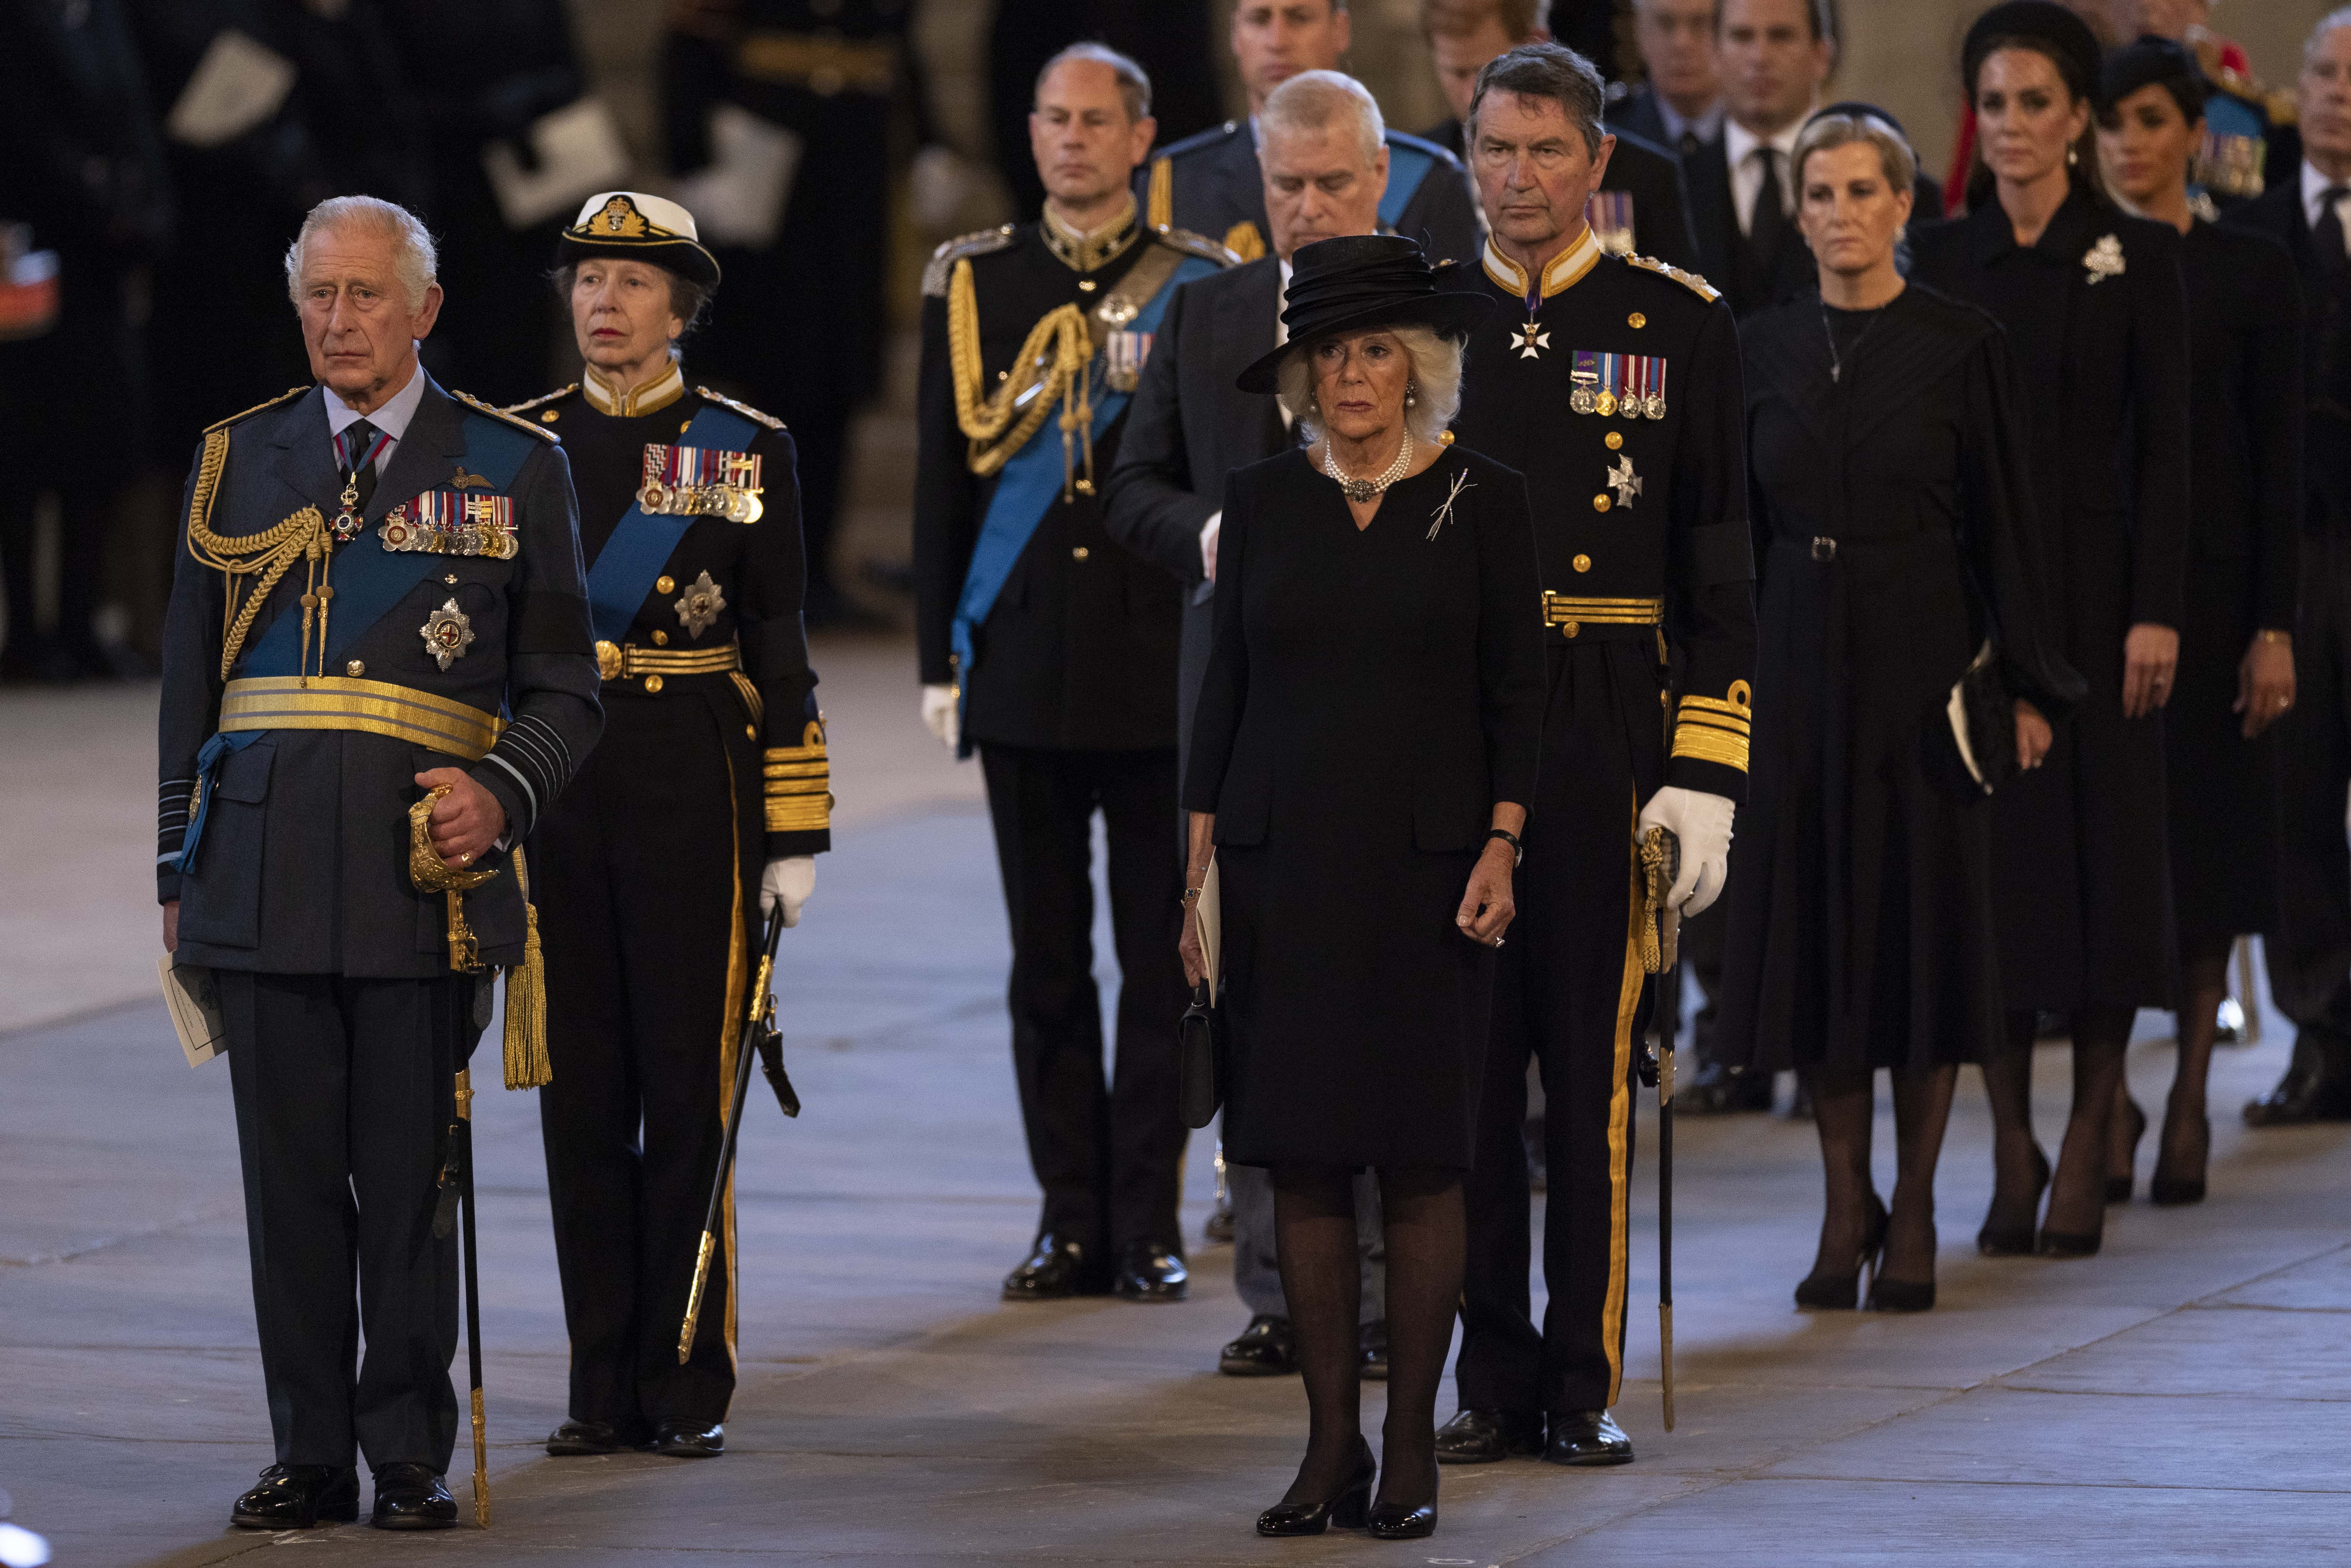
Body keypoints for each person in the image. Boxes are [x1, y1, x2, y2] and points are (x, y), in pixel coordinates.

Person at [155, 195, 601, 1530]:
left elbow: (567, 691)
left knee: (408, 1180)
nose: (338, 322)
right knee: (288, 1187)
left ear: (426, 310)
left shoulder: (513, 465)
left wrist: (502, 796)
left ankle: (404, 1449)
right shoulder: (236, 460)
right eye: (319, 296)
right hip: (263, 871)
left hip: (422, 883)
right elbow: (190, 687)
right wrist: (178, 869)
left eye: (363, 296)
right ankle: (308, 1451)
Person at [1180, 232, 1542, 1540]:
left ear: (1421, 367)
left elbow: (1521, 690)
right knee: (1308, 1158)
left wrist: (1506, 839)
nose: (1350, 374)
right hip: (1285, 868)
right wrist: (1200, 864)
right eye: (1329, 353)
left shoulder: (1486, 496)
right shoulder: (1264, 497)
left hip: (1436, 869)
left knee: (1426, 1156)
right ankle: (1328, 1443)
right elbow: (1224, 689)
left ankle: (1409, 1446)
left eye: (1376, 349)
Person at [1441, 42, 1754, 1469]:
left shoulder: (1674, 322)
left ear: (1598, 166)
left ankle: (1578, 1378)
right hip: (1447, 733)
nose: (1517, 178)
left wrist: (1704, 772)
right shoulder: (1423, 317)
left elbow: (1720, 576)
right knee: (1465, 1072)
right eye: (1495, 150)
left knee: (1586, 1068)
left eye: (1545, 152)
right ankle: (1488, 1376)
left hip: (1606, 722)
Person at [1718, 107, 2080, 1313]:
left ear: (1903, 205)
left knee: (1922, 942)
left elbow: (2014, 528)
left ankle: (1916, 1203)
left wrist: (2028, 681)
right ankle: (1843, 1200)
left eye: (1863, 190)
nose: (1839, 214)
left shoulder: (1960, 342)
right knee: (1821, 941)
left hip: (1924, 665)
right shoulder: (1757, 347)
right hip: (1798, 665)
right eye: (1819, 193)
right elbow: (1726, 530)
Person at [509, 192, 829, 1460]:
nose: (606, 301)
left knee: (690, 1091)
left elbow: (780, 642)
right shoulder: (512, 447)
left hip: (697, 782)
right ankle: (599, 1381)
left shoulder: (745, 448)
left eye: (635, 282)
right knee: (580, 1097)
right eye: (589, 278)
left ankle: (683, 1374)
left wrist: (796, 827)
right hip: (557, 786)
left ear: (682, 307)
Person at [912, 45, 1230, 1304]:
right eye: (1054, 118)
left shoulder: (1199, 286)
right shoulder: (975, 280)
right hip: (1028, 668)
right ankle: (1066, 1214)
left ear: (1143, 138)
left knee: (1159, 961)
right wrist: (945, 649)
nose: (1073, 140)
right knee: (1044, 961)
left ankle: (1144, 1217)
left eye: (1098, 121)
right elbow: (947, 492)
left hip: (1158, 670)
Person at [1106, 68, 1396, 1383]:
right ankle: (1284, 1289)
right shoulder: (1209, 309)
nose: (1313, 207)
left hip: (1391, 717)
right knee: (1250, 995)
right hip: (1237, 706)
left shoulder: (1422, 326)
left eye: (1337, 182)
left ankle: (1391, 1283)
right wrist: (1202, 533)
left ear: (1381, 180)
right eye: (1290, 185)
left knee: (1386, 1001)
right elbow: (1132, 485)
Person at [1910, 1, 2191, 1258]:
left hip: (2098, 590)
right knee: (2000, 878)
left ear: (2079, 117)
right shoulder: (1948, 256)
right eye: (1995, 103)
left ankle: (2088, 1135)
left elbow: (2173, 456)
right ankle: (2013, 1144)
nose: (2013, 126)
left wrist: (2156, 611)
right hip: (1980, 599)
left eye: (2037, 103)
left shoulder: (2140, 256)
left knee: (2106, 872)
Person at [2094, 40, 2300, 1200]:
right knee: (2107, 851)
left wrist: (2275, 623)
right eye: (2113, 120)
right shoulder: (2078, 258)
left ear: (2191, 130)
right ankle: (2111, 1091)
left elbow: (2274, 460)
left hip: (2218, 594)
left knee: (2208, 849)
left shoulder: (2250, 266)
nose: (2131, 140)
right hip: (2096, 590)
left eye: (2152, 119)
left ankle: (2184, 1104)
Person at [662, 0, 918, 628]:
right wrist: (692, 160)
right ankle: (737, 569)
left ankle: (814, 570)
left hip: (856, 179)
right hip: (762, 186)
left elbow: (898, 53)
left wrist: (927, 142)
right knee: (761, 375)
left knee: (840, 376)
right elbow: (688, 43)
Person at [2226, 8, 2351, 1127]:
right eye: (2324, 74)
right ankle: (2322, 1032)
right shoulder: (2251, 233)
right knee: (2296, 798)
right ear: (2295, 87)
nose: (2342, 95)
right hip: (2296, 555)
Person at [0, 0, 171, 680]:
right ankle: (27, 631)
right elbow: (24, 129)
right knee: (21, 450)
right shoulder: (17, 20)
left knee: (98, 447)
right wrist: (98, 200)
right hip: (33, 255)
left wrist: (143, 210)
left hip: (103, 265)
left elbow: (135, 121)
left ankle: (78, 621)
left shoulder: (104, 17)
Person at [1139, 0, 1480, 266]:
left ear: (1340, 30)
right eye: (1259, 19)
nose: (1277, 41)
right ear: (1235, 35)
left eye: (1299, 18)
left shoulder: (1426, 179)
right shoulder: (1174, 182)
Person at [382, 0, 587, 407]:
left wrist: (532, 97)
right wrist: (479, 113)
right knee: (466, 344)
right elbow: (390, 98)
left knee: (529, 340)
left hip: (530, 196)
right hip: (451, 200)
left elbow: (570, 71)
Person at [1688, 0, 1945, 320]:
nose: (1760, 57)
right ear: (1715, 55)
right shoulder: (1673, 186)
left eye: (1780, 36)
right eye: (1742, 37)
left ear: (1822, 56)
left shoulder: (1907, 192)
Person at [1419, 0, 1703, 273]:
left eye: (1486, 73)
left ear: (1536, 44)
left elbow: (1675, 310)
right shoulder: (1414, 175)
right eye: (1457, 73)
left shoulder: (1643, 175)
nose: (1472, 96)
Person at [1615, 0, 1726, 157]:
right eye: (1665, 24)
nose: (1682, 44)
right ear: (1638, 30)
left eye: (1700, 24)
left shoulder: (1760, 128)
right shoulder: (1610, 135)